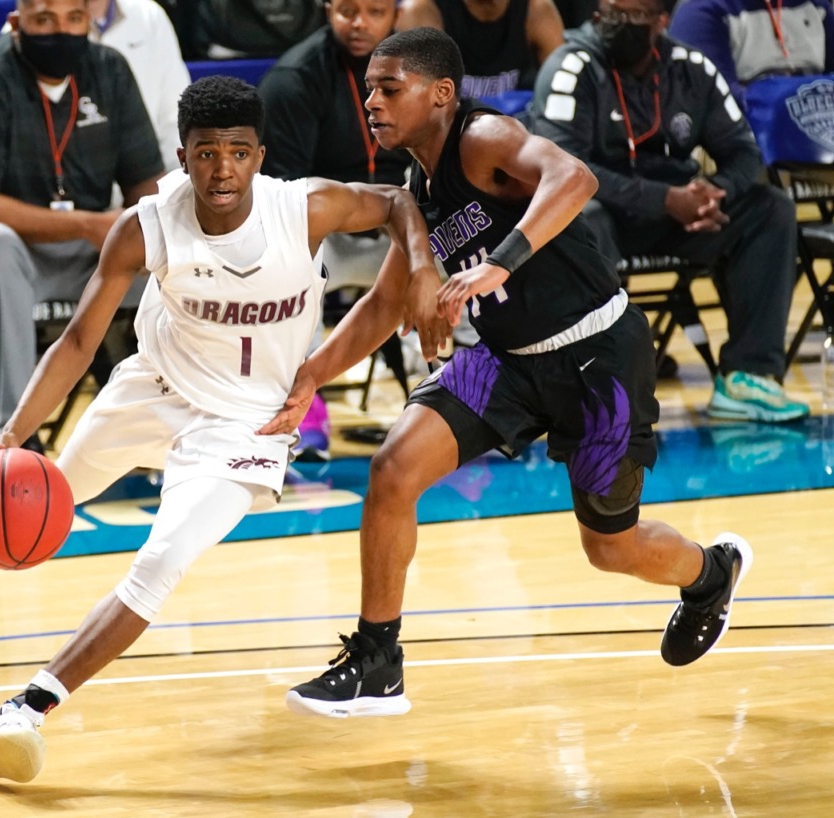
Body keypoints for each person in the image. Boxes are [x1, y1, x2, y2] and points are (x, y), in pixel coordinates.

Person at [0, 74, 438, 781]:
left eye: (239, 153)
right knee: (33, 502)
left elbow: (397, 202)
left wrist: (421, 266)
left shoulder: (301, 208)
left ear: (260, 155)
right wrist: (11, 438)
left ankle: (24, 710)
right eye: (206, 153)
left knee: (162, 561)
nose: (223, 170)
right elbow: (78, 343)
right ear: (182, 157)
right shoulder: (145, 225)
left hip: (247, 425)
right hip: (152, 392)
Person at [263, 27, 754, 719]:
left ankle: (710, 574)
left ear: (439, 94)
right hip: (504, 363)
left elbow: (574, 177)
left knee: (610, 548)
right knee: (393, 470)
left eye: (388, 88)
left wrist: (506, 257)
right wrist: (311, 374)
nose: (371, 100)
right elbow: (383, 304)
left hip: (596, 357)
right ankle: (378, 661)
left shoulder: (482, 136)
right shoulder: (418, 182)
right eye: (369, 87)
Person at [531, 0, 810, 423]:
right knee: (582, 218)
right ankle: (591, 384)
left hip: (678, 216)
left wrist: (714, 191)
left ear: (661, 21)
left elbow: (744, 152)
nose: (616, 24)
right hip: (606, 212)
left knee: (769, 209)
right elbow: (565, 166)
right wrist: (664, 198)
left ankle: (748, 376)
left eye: (631, 15)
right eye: (610, 12)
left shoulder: (690, 67)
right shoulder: (571, 67)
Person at [0, 0, 164, 442]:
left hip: (76, 259)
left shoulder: (110, 71)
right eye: (44, 19)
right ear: (16, 24)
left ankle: (162, 428)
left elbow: (147, 183)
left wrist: (158, 231)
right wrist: (86, 224)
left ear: (89, 23)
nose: (60, 32)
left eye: (74, 19)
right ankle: (17, 436)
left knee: (171, 254)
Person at [259, 0, 413, 459]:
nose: (360, 22)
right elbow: (285, 198)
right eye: (348, 9)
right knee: (288, 258)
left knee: (468, 249)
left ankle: (460, 385)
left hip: (404, 227)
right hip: (329, 236)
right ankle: (302, 400)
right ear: (328, 9)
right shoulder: (294, 80)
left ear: (397, 13)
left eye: (375, 10)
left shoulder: (420, 75)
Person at [669, 0, 834, 113]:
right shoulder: (699, 11)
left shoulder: (815, 4)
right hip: (742, 141)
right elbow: (716, 100)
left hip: (818, 133)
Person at [87, 0, 191, 172]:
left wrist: (174, 186)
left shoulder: (149, 15)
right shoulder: (39, 23)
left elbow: (175, 117)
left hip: (149, 180)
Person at [396, 0, 565, 96]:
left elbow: (564, 90)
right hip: (449, 138)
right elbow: (421, 103)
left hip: (518, 134)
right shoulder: (422, 12)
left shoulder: (537, 11)